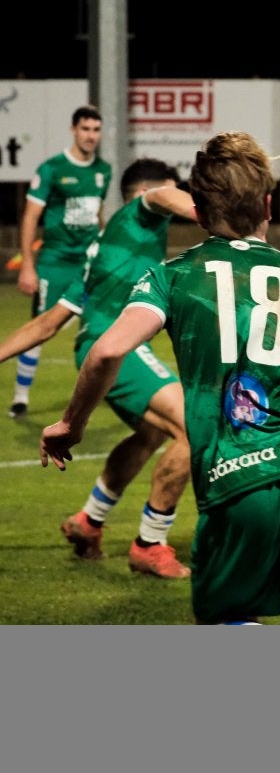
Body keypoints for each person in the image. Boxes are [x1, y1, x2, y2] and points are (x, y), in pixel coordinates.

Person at [40, 131, 280, 625]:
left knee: (230, 621)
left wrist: (71, 425)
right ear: (268, 206)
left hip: (240, 478)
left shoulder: (171, 276)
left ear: (200, 211)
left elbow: (106, 351)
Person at [0, 158, 194, 578]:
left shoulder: (102, 246)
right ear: (146, 191)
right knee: (196, 428)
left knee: (152, 432)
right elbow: (160, 194)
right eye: (175, 187)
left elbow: (48, 323)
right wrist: (217, 214)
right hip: (114, 347)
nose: (179, 194)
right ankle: (150, 543)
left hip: (95, 345)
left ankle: (88, 521)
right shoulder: (141, 209)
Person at [10, 105, 112, 419]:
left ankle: (102, 393)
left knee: (99, 328)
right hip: (54, 263)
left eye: (96, 130)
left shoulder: (103, 171)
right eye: (85, 129)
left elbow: (96, 214)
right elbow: (30, 218)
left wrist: (105, 242)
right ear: (73, 130)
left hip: (88, 264)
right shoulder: (52, 169)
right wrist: (28, 264)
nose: (90, 136)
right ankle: (21, 397)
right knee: (40, 328)